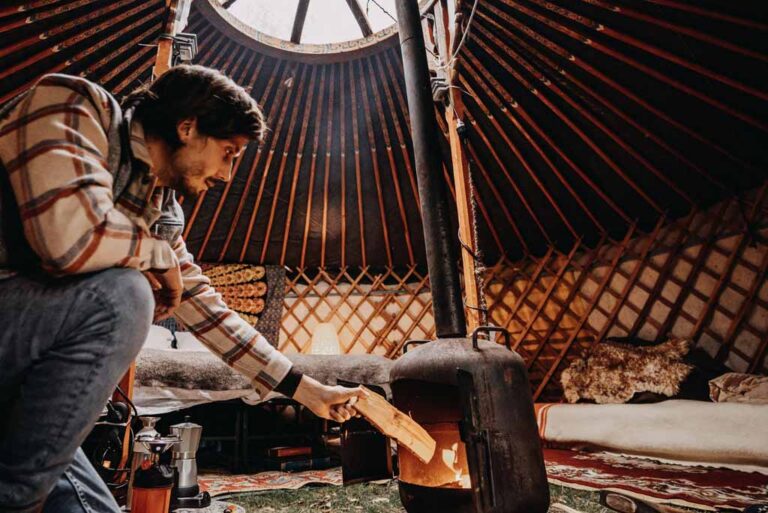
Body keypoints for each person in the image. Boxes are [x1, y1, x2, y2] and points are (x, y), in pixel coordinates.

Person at [0, 65, 363, 513]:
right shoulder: (74, 105)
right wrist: (155, 257)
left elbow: (208, 312)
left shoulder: (157, 207)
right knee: (125, 296)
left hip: (20, 369)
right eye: (229, 152)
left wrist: (306, 389)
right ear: (187, 127)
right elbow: (68, 237)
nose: (228, 175)